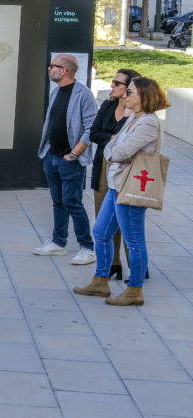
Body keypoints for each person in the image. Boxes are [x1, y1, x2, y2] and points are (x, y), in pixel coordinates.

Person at [73, 77, 169, 307]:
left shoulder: (147, 122)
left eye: (130, 92)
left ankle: (135, 290)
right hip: (117, 185)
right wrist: (113, 147)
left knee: (134, 241)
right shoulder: (133, 118)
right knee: (101, 232)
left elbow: (121, 151)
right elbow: (110, 148)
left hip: (129, 187)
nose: (124, 96)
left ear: (143, 96)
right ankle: (100, 280)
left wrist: (113, 147)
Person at [33, 54, 97, 265]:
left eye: (53, 66)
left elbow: (91, 128)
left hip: (70, 160)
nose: (49, 68)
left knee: (73, 203)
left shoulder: (83, 94)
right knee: (58, 202)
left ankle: (87, 247)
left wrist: (74, 154)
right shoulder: (56, 92)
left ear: (65, 70)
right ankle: (58, 243)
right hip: (51, 157)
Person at [89, 68, 141, 280]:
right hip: (104, 164)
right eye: (112, 81)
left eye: (117, 83)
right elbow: (94, 133)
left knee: (127, 219)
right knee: (104, 215)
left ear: (129, 87)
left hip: (126, 169)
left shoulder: (137, 113)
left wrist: (112, 139)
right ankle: (113, 264)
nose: (112, 85)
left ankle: (137, 266)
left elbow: (132, 141)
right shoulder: (108, 105)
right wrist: (111, 138)